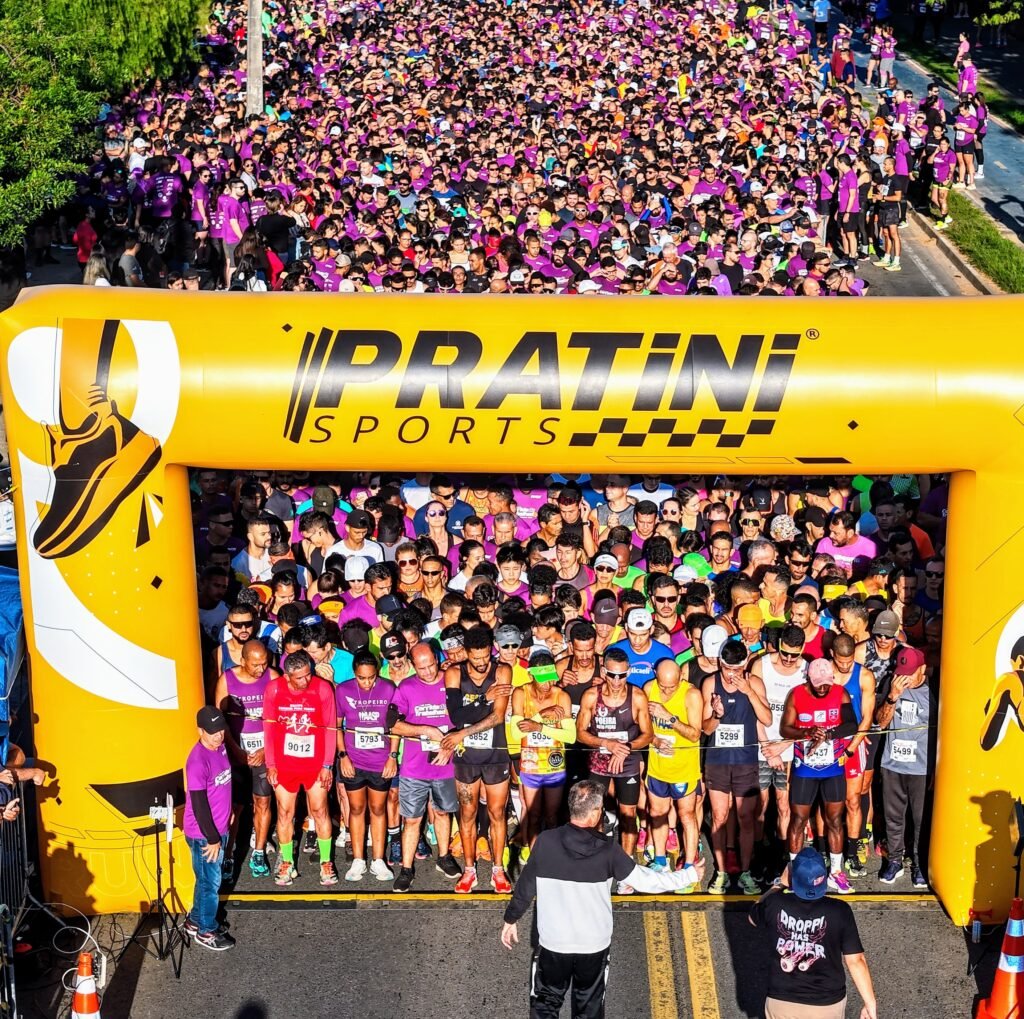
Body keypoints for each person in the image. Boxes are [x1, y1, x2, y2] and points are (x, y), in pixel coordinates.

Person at [501, 780, 705, 1019]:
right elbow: (647, 881)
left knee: (546, 1002)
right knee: (589, 1005)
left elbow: (526, 885)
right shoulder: (608, 850)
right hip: (593, 945)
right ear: (596, 813)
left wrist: (511, 919)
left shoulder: (546, 842)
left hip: (555, 942)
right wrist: (689, 875)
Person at [749, 847, 877, 1019]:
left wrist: (779, 884)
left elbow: (752, 917)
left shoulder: (775, 903)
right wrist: (870, 1003)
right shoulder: (839, 911)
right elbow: (856, 961)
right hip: (827, 1004)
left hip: (782, 1000)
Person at [442, 625, 514, 893]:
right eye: (476, 658)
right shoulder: (453, 672)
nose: (483, 663)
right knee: (468, 813)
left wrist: (463, 733)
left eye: (486, 657)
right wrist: (485, 697)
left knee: (497, 813)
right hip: (466, 757)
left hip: (495, 754)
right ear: (466, 654)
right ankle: (469, 870)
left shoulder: (502, 670)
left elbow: (497, 716)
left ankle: (498, 869)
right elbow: (455, 716)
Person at [575, 648, 653, 890]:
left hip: (627, 761)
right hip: (599, 760)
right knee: (593, 813)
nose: (617, 681)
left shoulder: (637, 696)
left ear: (628, 672)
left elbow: (648, 734)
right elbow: (580, 733)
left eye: (622, 675)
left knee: (628, 813)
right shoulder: (591, 696)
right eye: (612, 675)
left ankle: (627, 869)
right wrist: (607, 743)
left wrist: (625, 747)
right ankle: (597, 862)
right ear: (603, 672)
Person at [779, 659, 859, 895]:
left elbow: (851, 724)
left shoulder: (840, 693)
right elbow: (785, 728)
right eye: (818, 685)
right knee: (798, 820)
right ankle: (794, 872)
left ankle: (836, 872)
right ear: (808, 679)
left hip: (832, 768)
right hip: (805, 768)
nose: (823, 688)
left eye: (826, 684)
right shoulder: (796, 695)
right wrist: (807, 732)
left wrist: (828, 734)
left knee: (834, 820)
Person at [388, 641, 462, 891]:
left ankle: (444, 856)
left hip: (446, 765)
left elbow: (465, 721)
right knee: (411, 819)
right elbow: (393, 725)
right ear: (412, 665)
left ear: (437, 658)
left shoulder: (451, 681)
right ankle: (406, 869)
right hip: (414, 768)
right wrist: (426, 730)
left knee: (442, 812)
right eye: (421, 668)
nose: (428, 672)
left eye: (431, 665)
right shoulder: (406, 687)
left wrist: (448, 743)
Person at [262, 650, 339, 886]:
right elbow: (269, 728)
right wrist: (271, 764)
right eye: (299, 678)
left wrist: (327, 765)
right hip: (285, 764)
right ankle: (287, 862)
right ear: (287, 676)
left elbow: (330, 728)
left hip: (315, 763)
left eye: (308, 675)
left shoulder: (322, 688)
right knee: (285, 813)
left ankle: (326, 861)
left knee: (320, 811)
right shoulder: (274, 689)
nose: (306, 681)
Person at [702, 638, 773, 894]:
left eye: (736, 670)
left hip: (745, 761)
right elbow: (705, 728)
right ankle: (721, 872)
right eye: (726, 669)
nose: (731, 675)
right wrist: (716, 715)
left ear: (744, 665)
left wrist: (749, 693)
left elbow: (766, 718)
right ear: (720, 663)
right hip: (718, 761)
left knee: (745, 818)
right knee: (720, 817)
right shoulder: (710, 683)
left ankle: (745, 872)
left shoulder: (753, 683)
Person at [213, 639, 279, 879]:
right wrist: (236, 750)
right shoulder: (227, 680)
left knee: (263, 802)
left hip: (264, 751)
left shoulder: (272, 676)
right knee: (235, 808)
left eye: (264, 663)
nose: (260, 669)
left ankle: (259, 851)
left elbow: (280, 718)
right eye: (255, 665)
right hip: (236, 753)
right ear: (242, 661)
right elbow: (220, 720)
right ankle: (229, 854)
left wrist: (265, 749)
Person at [335, 649, 399, 882]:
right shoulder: (343, 690)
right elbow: (336, 726)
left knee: (379, 809)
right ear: (354, 673)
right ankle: (359, 860)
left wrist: (392, 756)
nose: (367, 682)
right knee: (356, 809)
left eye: (371, 677)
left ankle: (379, 860)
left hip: (380, 761)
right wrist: (343, 756)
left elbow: (395, 726)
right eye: (362, 678)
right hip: (353, 760)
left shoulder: (388, 688)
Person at [874, 646, 932, 887]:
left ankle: (919, 864)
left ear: (923, 670)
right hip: (893, 764)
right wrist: (892, 697)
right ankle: (895, 861)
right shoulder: (892, 684)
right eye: (901, 672)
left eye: (909, 673)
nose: (903, 678)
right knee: (893, 818)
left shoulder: (935, 691)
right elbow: (880, 721)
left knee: (921, 820)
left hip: (921, 768)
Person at [643, 659, 703, 886]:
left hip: (683, 769)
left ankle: (689, 865)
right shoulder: (649, 689)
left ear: (681, 679)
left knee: (686, 815)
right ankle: (660, 860)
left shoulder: (691, 695)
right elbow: (644, 725)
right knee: (657, 812)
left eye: (672, 686)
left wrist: (670, 718)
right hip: (658, 766)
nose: (667, 691)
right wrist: (656, 740)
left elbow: (695, 734)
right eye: (663, 686)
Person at [183, 706, 235, 950]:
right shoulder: (197, 761)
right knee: (210, 884)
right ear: (200, 730)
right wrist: (212, 838)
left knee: (204, 879)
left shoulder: (221, 747)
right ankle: (206, 930)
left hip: (218, 828)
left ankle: (195, 920)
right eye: (212, 732)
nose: (218, 735)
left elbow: (222, 784)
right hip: (205, 834)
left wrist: (229, 811)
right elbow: (199, 804)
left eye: (220, 730)